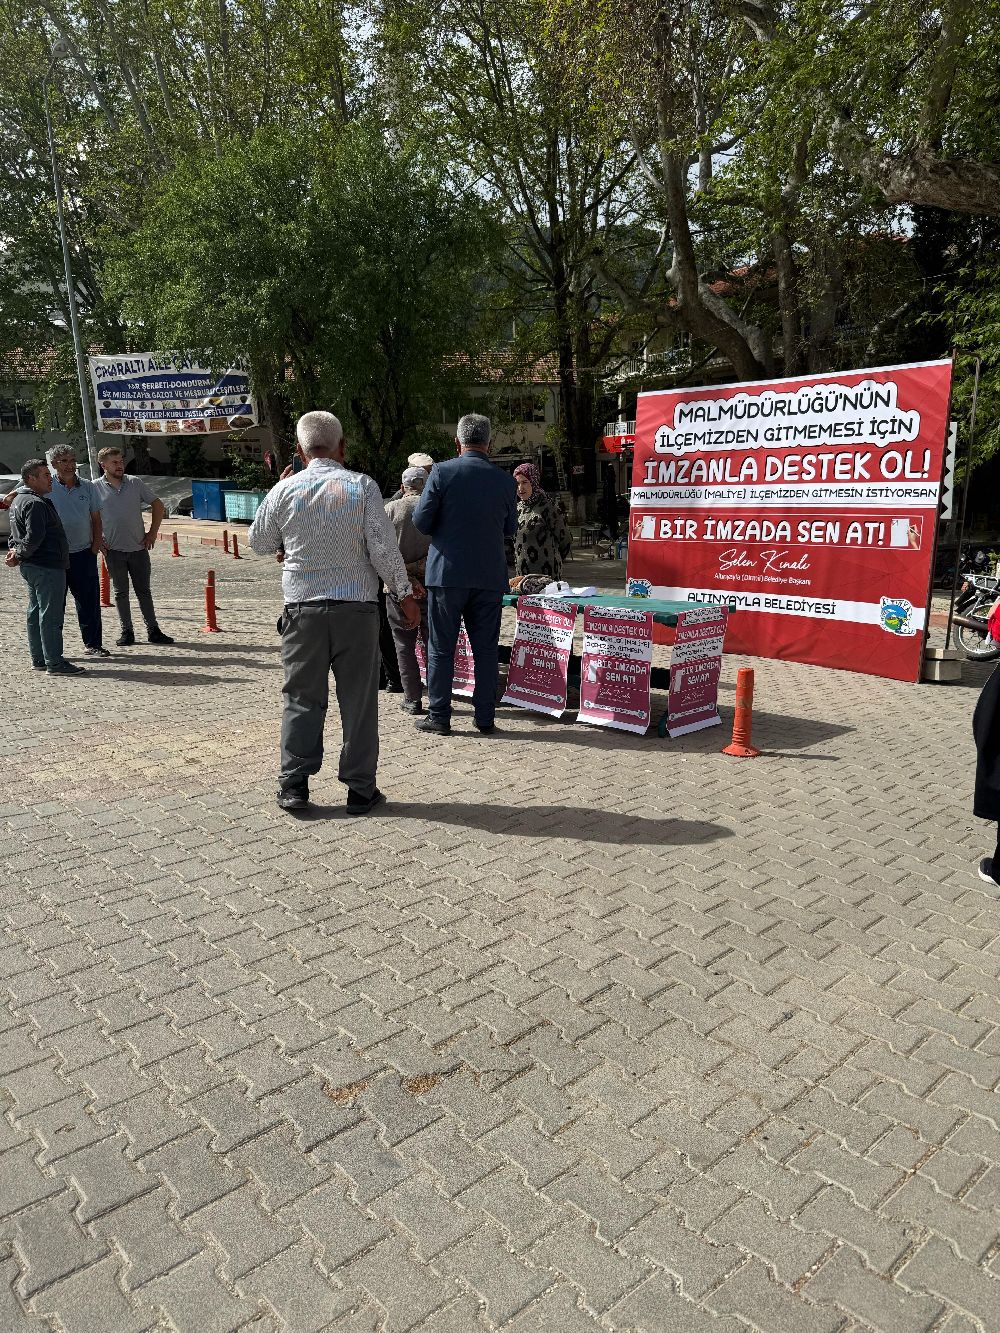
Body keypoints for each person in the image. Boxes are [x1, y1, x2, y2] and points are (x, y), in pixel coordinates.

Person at [248, 410, 421, 814]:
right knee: (359, 702)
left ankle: (294, 786)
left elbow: (258, 542)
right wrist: (404, 595)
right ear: (342, 447)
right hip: (356, 611)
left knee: (301, 699)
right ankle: (360, 790)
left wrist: (282, 516)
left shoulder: (285, 490)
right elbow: (382, 549)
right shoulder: (362, 487)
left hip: (302, 611)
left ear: (300, 451)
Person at [412, 413, 517, 736]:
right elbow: (510, 529)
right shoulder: (505, 481)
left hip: (447, 574)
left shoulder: (442, 472)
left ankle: (440, 716)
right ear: (489, 443)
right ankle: (484, 717)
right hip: (488, 575)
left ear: (457, 442)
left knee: (441, 648)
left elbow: (421, 521)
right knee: (486, 649)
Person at [5, 459, 84, 675]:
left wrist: (15, 551)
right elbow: (33, 537)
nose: (51, 479)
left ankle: (39, 659)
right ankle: (55, 663)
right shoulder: (35, 503)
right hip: (46, 565)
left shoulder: (20, 500)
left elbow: (16, 535)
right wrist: (18, 553)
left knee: (35, 611)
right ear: (31, 479)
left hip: (34, 565)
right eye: (46, 475)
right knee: (50, 615)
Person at [94, 447, 174, 647]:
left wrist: (152, 533)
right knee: (121, 593)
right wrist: (96, 539)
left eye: (121, 461)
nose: (119, 465)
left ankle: (153, 630)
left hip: (138, 549)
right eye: (114, 462)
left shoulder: (134, 483)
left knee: (144, 591)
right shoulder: (94, 488)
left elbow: (158, 505)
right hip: (113, 551)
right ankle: (127, 631)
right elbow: (88, 516)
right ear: (103, 465)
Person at [45, 444, 109, 658]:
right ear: (54, 464)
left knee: (89, 602)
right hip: (55, 556)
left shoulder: (88, 487)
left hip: (83, 553)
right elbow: (22, 489)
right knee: (55, 604)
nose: (69, 465)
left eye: (72, 460)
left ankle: (93, 644)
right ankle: (54, 650)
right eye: (64, 461)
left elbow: (96, 518)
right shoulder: (46, 486)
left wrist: (95, 545)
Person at [384, 466, 432, 715]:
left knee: (403, 643)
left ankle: (412, 699)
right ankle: (437, 698)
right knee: (434, 644)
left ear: (403, 487)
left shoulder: (391, 509)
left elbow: (381, 551)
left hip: (399, 586)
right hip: (432, 584)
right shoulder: (434, 508)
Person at [512, 462, 571, 580]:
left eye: (525, 482)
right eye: (517, 483)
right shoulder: (517, 508)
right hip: (522, 577)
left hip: (547, 576)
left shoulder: (548, 506)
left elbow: (565, 540)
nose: (520, 488)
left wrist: (553, 558)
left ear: (533, 482)